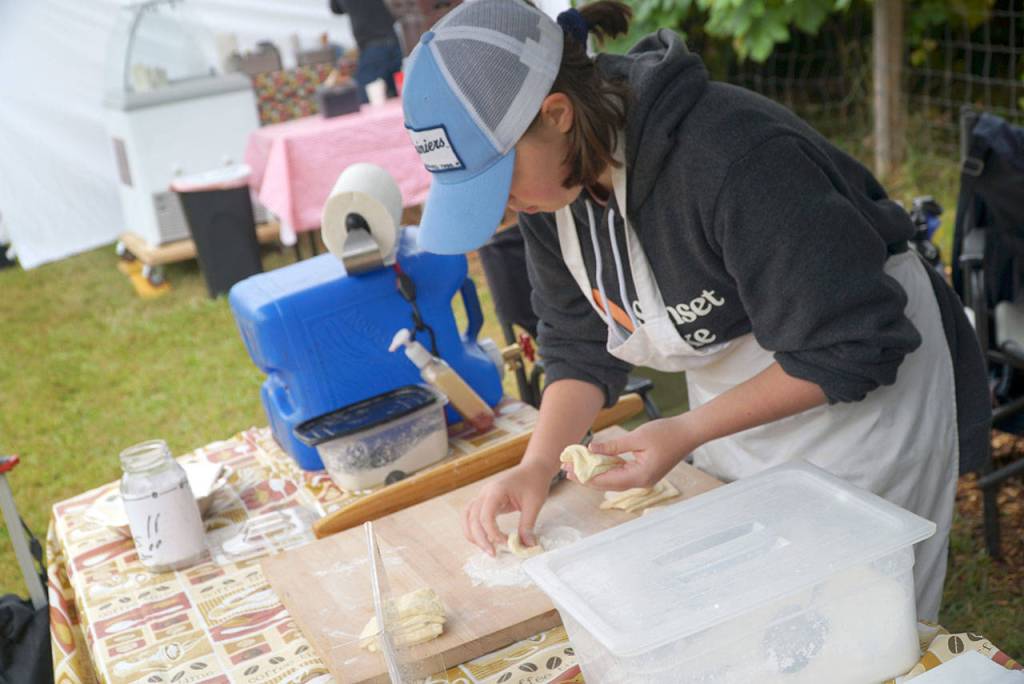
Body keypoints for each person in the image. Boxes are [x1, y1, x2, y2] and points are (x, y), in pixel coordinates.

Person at [400, 0, 989, 622]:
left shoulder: (735, 160)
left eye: (498, 183)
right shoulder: (552, 190)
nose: (501, 210)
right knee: (759, 615)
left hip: (858, 400)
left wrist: (684, 431)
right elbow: (577, 343)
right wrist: (538, 464)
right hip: (737, 403)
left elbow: (851, 344)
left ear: (557, 114)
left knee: (861, 618)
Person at [329, 0, 403, 101]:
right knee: (398, 96)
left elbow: (336, 9)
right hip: (393, 41)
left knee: (365, 99)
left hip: (373, 48)